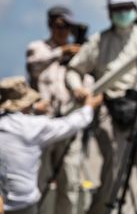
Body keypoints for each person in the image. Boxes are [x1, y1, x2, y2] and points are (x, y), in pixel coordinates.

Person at [66, 0, 137, 214]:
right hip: (110, 111)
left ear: (135, 9)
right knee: (114, 175)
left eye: (127, 8)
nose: (123, 13)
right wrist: (78, 89)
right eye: (117, 9)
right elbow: (73, 70)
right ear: (109, 12)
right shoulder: (99, 41)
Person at [0, 76, 102, 214]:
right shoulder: (32, 126)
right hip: (23, 205)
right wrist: (88, 107)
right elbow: (70, 124)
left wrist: (34, 108)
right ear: (25, 104)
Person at [25, 5, 89, 214]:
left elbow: (88, 82)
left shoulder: (78, 53)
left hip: (69, 123)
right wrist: (60, 52)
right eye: (59, 26)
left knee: (70, 181)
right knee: (40, 180)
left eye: (67, 27)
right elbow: (33, 64)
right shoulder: (38, 48)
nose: (63, 31)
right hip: (43, 123)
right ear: (50, 25)